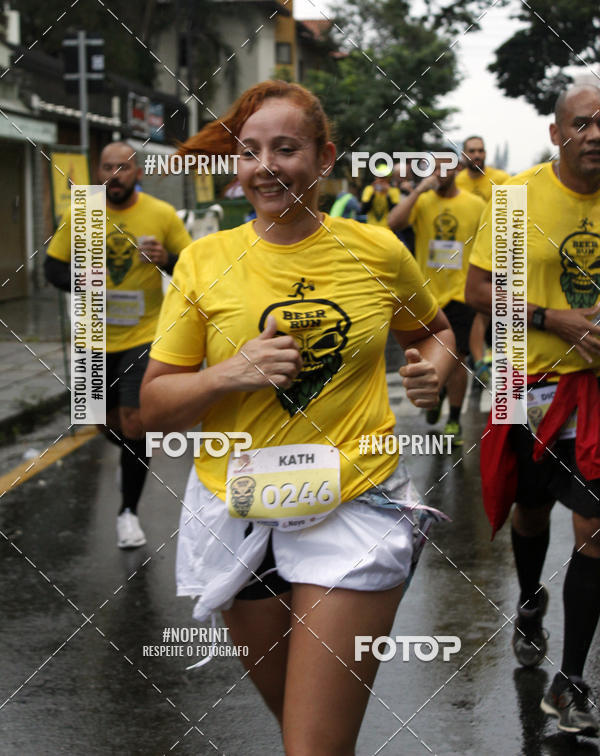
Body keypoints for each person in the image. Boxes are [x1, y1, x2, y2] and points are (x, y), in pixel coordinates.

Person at [140, 80, 456, 754]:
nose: (264, 166)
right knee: (300, 727)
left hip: (352, 502)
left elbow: (433, 329)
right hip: (241, 505)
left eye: (285, 148)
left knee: (311, 746)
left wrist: (436, 365)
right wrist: (232, 372)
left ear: (324, 158)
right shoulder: (205, 261)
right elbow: (152, 405)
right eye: (248, 151)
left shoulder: (376, 250)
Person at [466, 83, 600, 736]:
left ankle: (570, 683)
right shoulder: (518, 198)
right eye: (583, 124)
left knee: (596, 530)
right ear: (557, 134)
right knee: (531, 507)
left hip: (594, 394)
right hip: (529, 385)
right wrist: (556, 318)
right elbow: (479, 288)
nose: (595, 134)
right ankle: (527, 603)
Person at [45, 142, 192, 548]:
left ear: (136, 173)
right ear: (99, 172)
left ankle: (128, 511)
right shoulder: (82, 211)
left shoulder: (161, 214)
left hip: (144, 335)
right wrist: (83, 280)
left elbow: (192, 268)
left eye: (123, 167)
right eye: (107, 167)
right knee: (104, 422)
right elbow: (51, 267)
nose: (115, 174)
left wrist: (166, 260)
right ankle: (131, 453)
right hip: (93, 335)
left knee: (135, 423)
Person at [388, 155, 484, 445]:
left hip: (461, 293)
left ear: (457, 169)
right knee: (433, 355)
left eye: (445, 166)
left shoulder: (476, 205)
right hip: (428, 294)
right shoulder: (423, 201)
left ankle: (454, 419)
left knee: (458, 359)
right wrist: (418, 190)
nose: (440, 173)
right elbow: (394, 222)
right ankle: (437, 395)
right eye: (433, 167)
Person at [457, 137, 510, 387]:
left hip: (498, 252)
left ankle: (486, 362)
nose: (477, 155)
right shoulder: (457, 182)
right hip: (466, 257)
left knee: (491, 309)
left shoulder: (502, 179)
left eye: (480, 151)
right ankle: (480, 361)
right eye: (472, 151)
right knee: (475, 311)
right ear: (464, 155)